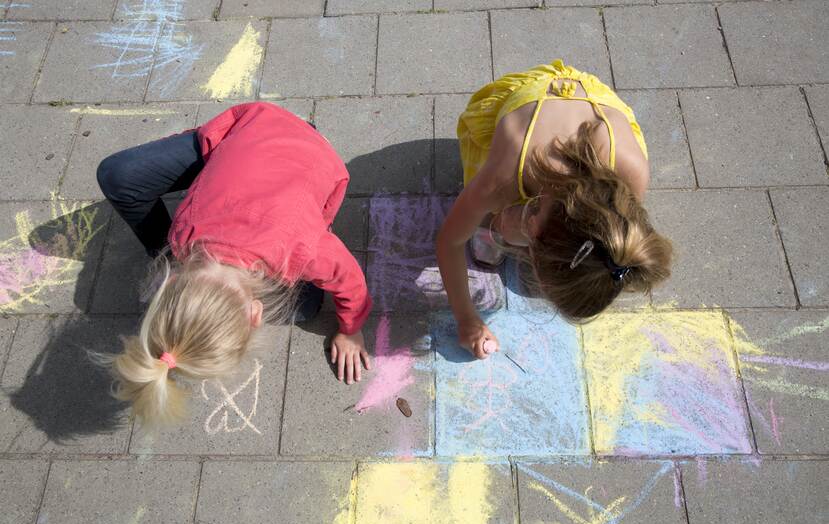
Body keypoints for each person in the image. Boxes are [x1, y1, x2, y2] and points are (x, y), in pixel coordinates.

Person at [97, 102, 372, 425]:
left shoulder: (301, 249)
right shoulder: (184, 232)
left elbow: (349, 278)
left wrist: (351, 330)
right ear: (170, 282)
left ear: (255, 313)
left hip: (309, 149)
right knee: (118, 176)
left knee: (304, 309)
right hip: (252, 125)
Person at [437, 60, 673, 359]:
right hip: (530, 101)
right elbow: (449, 241)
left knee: (523, 238)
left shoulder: (629, 178)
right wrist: (466, 320)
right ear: (532, 228)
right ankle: (494, 226)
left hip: (588, 119)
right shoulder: (504, 175)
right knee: (489, 215)